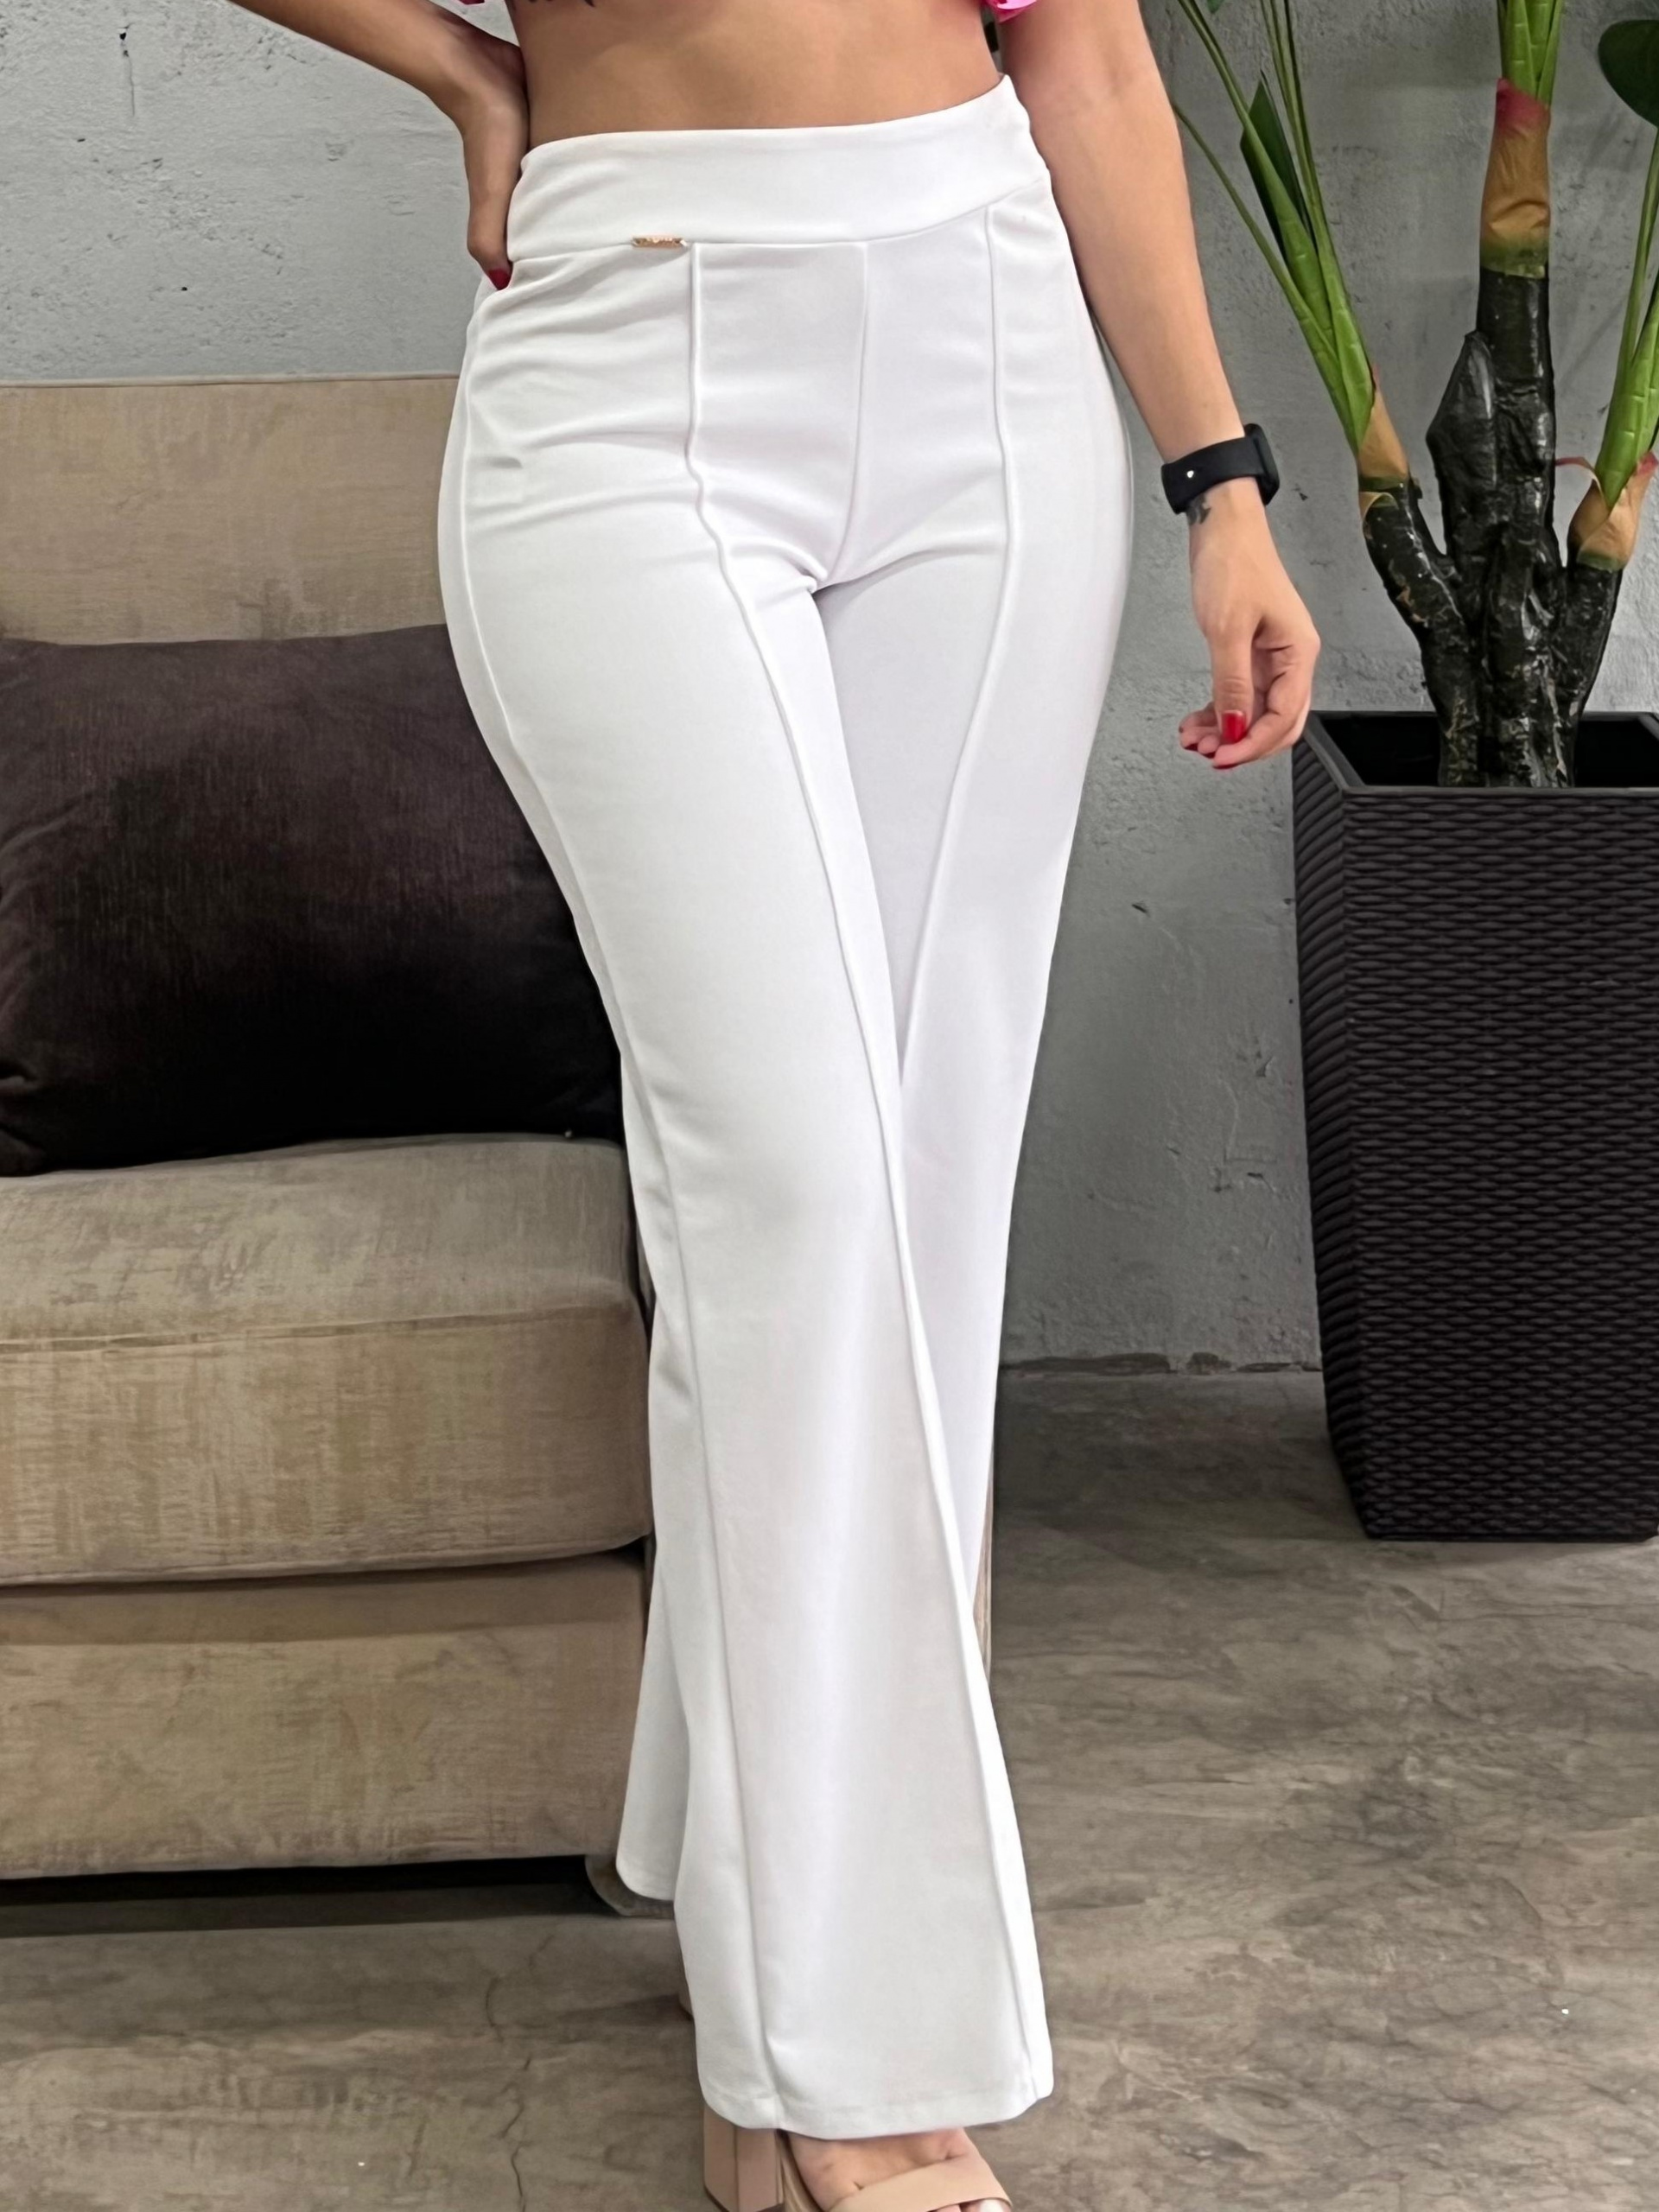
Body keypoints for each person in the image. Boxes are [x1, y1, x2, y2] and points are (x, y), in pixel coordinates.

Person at [226, 3, 1319, 2207]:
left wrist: (1222, 482)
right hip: (628, 364)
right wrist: (463, 73)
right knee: (798, 1194)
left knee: (913, 1210)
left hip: (984, 343)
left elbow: (1090, 59)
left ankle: (775, 1981)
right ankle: (853, 2068)